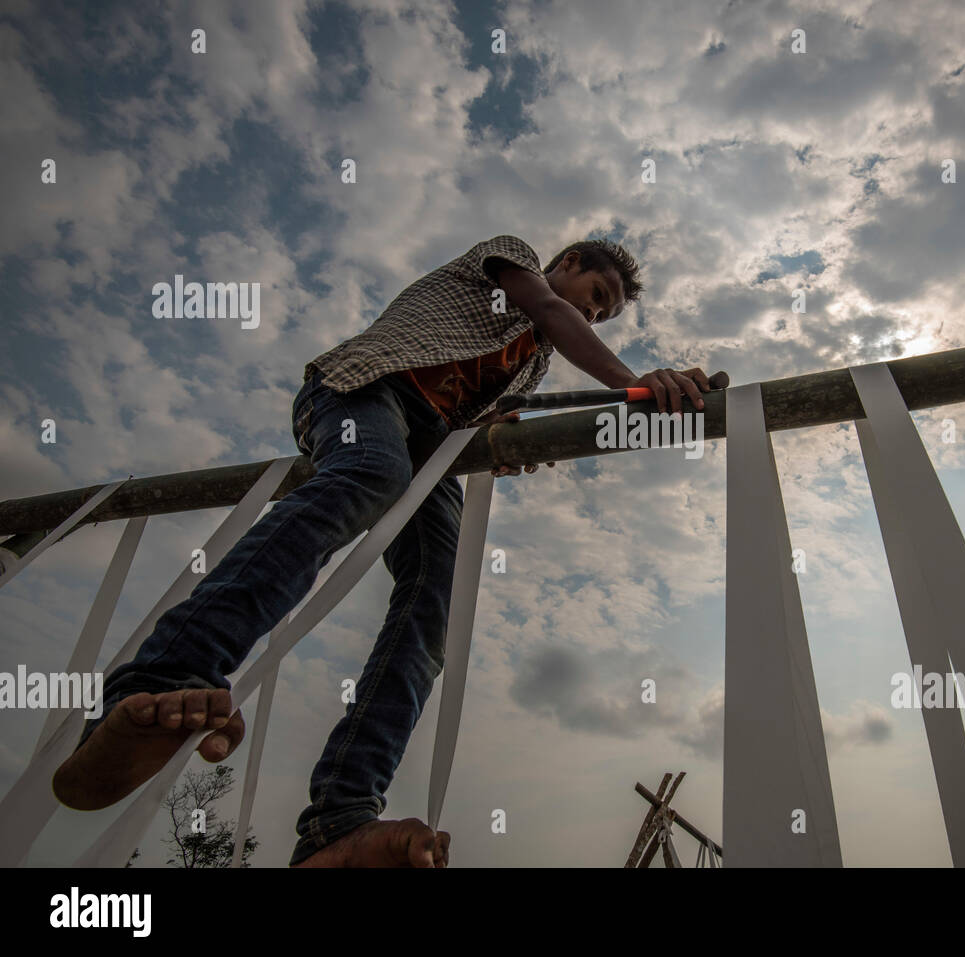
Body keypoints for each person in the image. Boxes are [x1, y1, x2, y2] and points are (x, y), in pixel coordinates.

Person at [51, 235, 712, 867]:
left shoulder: (534, 362)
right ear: (566, 262)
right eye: (592, 294)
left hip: (433, 449)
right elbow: (548, 307)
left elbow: (480, 413)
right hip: (368, 390)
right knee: (367, 474)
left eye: (602, 313)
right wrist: (634, 384)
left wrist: (497, 439)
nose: (589, 312)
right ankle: (163, 675)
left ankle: (338, 816)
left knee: (436, 602)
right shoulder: (514, 264)